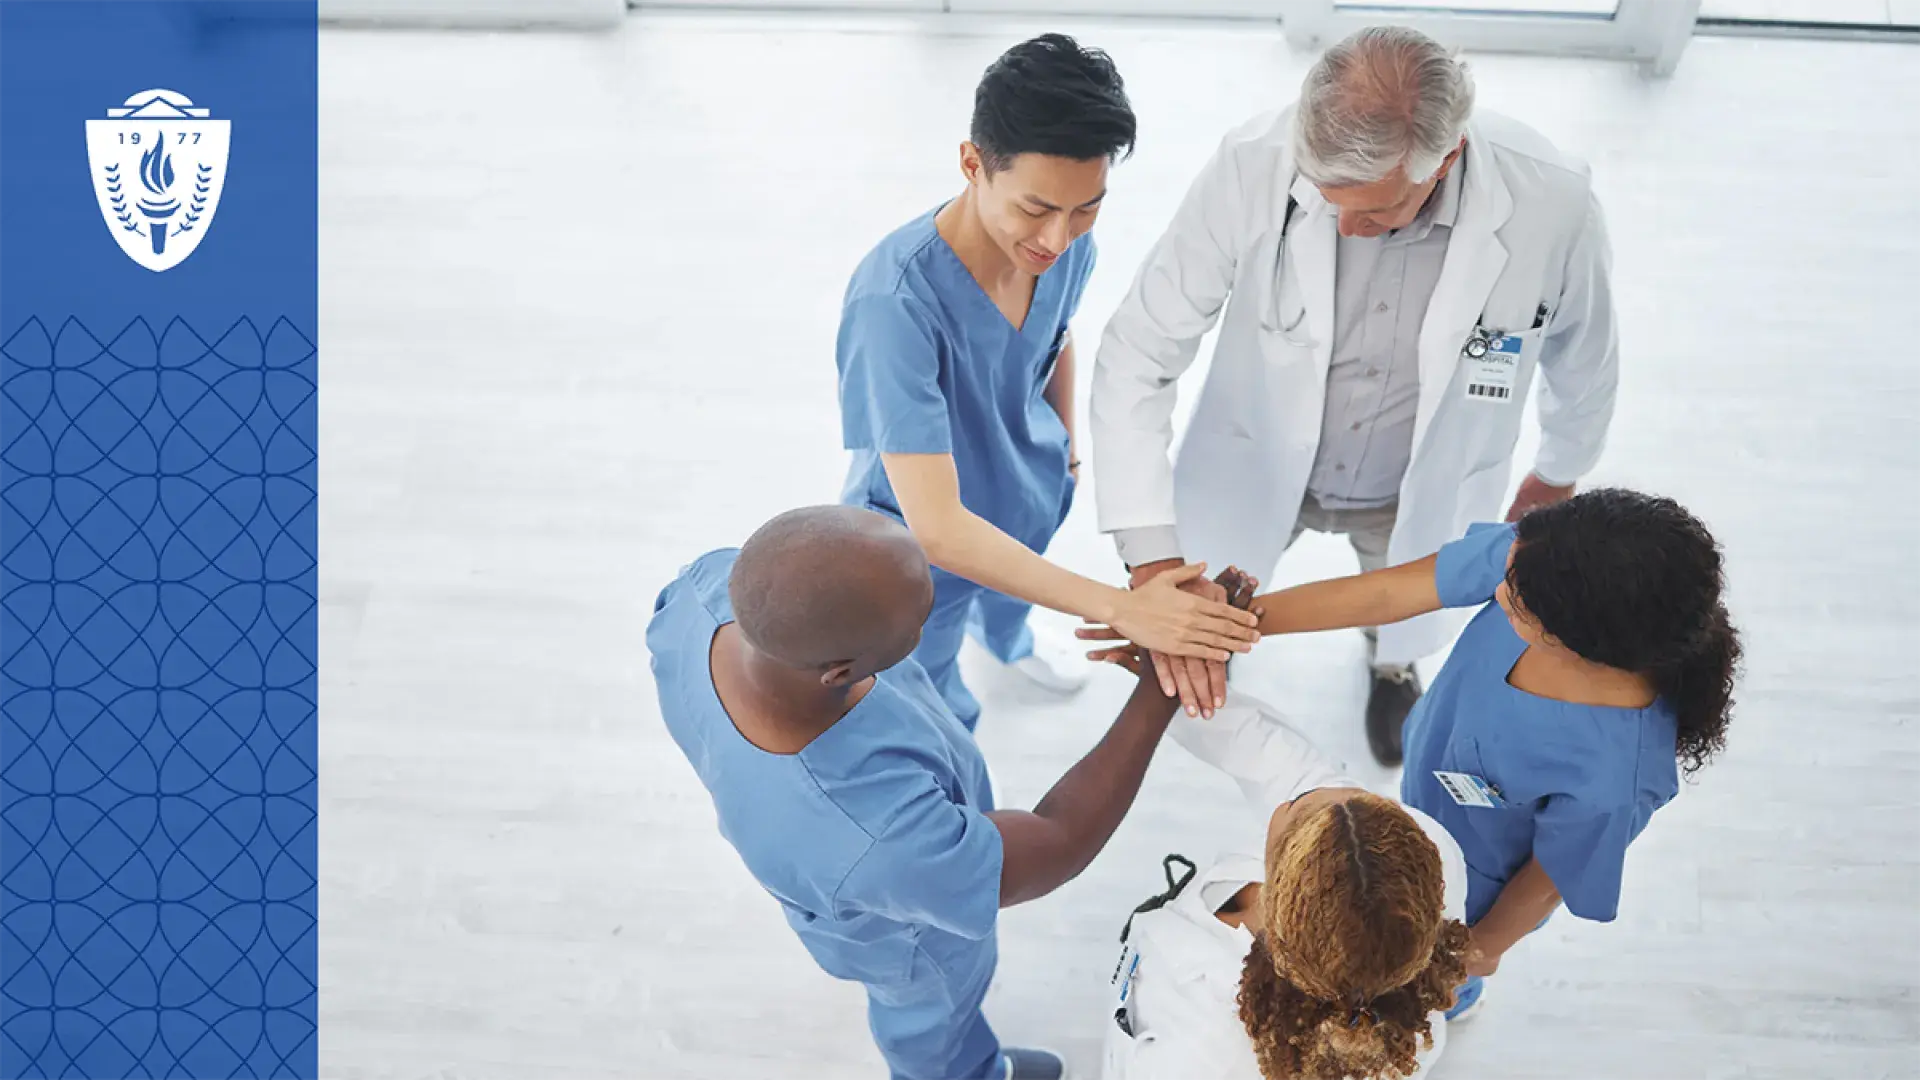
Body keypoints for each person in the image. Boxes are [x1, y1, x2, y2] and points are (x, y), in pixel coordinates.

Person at [1089, 24, 1621, 765]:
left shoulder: (1552, 202)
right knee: (1216, 586)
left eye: (1372, 213)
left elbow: (1586, 354)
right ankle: (1220, 636)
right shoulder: (1255, 164)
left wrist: (1559, 471)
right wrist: (1149, 561)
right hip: (1257, 462)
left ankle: (1391, 664)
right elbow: (1139, 350)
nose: (1341, 225)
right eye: (1324, 198)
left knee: (1397, 601)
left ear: (1445, 160)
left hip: (1412, 486)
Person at [1083, 487, 1742, 1020]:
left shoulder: (1614, 776)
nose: (1500, 580)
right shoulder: (1541, 560)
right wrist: (1217, 626)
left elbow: (1546, 882)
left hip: (1473, 887)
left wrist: (1466, 957)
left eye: (1511, 600)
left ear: (1575, 639)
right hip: (1427, 795)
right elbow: (1385, 594)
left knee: (1403, 980)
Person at [647, 505, 1201, 1080]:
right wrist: (1158, 693)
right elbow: (1058, 842)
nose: (929, 619)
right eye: (919, 622)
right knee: (931, 1021)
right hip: (910, 941)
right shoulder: (879, 837)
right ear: (839, 672)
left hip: (850, 845)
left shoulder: (704, 589)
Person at [836, 32, 1259, 734]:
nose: (1058, 239)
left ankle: (1008, 640)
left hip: (1027, 492)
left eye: (1086, 207)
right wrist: (1121, 606)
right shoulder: (894, 305)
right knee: (933, 699)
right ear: (973, 163)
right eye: (1035, 208)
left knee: (1009, 597)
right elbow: (938, 529)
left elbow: (1054, 338)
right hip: (922, 553)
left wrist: (1062, 449)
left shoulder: (1063, 246)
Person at [1100, 689, 1471, 1080]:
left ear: (1281, 884)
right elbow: (1289, 764)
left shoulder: (1201, 1051)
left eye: (1297, 812)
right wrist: (1174, 688)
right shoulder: (1423, 852)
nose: (1287, 802)